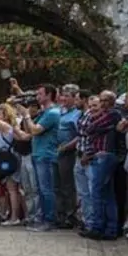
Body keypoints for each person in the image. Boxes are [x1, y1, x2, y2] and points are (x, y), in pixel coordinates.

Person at [79, 91, 123, 239]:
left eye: (106, 100)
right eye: (101, 100)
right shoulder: (105, 116)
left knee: (97, 192)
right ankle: (109, 229)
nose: (103, 103)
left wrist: (95, 127)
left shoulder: (114, 114)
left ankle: (98, 227)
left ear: (112, 101)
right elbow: (89, 130)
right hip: (98, 156)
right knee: (106, 193)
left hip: (106, 155)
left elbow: (90, 128)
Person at [23, 85, 62, 231]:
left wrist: (26, 115)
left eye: (40, 94)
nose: (37, 96)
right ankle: (42, 218)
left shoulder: (52, 113)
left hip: (46, 154)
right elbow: (29, 130)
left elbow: (35, 129)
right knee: (39, 189)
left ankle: (49, 220)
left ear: (49, 95)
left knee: (46, 189)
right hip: (37, 153)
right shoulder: (43, 113)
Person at [56, 84, 82, 229]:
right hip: (56, 151)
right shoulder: (59, 112)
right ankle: (60, 214)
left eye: (67, 96)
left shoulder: (77, 114)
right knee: (57, 185)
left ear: (74, 97)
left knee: (67, 185)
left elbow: (80, 135)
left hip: (68, 153)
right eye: (63, 95)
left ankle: (70, 215)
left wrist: (67, 146)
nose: (64, 98)